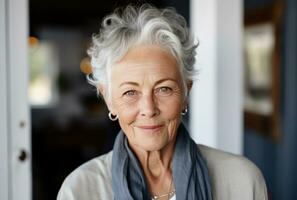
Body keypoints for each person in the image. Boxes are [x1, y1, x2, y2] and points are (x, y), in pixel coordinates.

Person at [57, 4, 268, 200]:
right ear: (109, 99)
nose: (148, 109)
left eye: (164, 89)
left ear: (186, 92)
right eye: (130, 92)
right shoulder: (80, 190)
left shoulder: (242, 181)